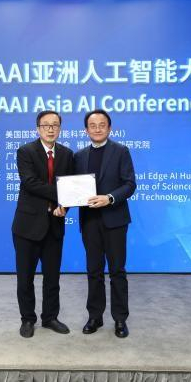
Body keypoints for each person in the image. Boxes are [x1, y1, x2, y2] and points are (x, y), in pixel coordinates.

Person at [12, 110, 74, 338]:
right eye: (46, 125)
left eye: (55, 125)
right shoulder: (26, 151)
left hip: (54, 225)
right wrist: (63, 193)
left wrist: (65, 205)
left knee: (52, 277)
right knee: (25, 278)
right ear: (37, 128)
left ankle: (50, 317)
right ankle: (28, 319)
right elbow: (30, 183)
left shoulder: (67, 154)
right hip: (27, 226)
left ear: (60, 129)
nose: (50, 129)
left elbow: (71, 186)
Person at [74, 109, 136, 338]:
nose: (97, 129)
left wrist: (109, 198)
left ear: (110, 128)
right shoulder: (79, 156)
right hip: (90, 221)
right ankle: (95, 316)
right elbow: (73, 188)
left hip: (115, 220)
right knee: (94, 270)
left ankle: (120, 319)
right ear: (86, 130)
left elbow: (129, 184)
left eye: (102, 125)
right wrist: (63, 204)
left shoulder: (121, 151)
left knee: (117, 271)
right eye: (93, 125)